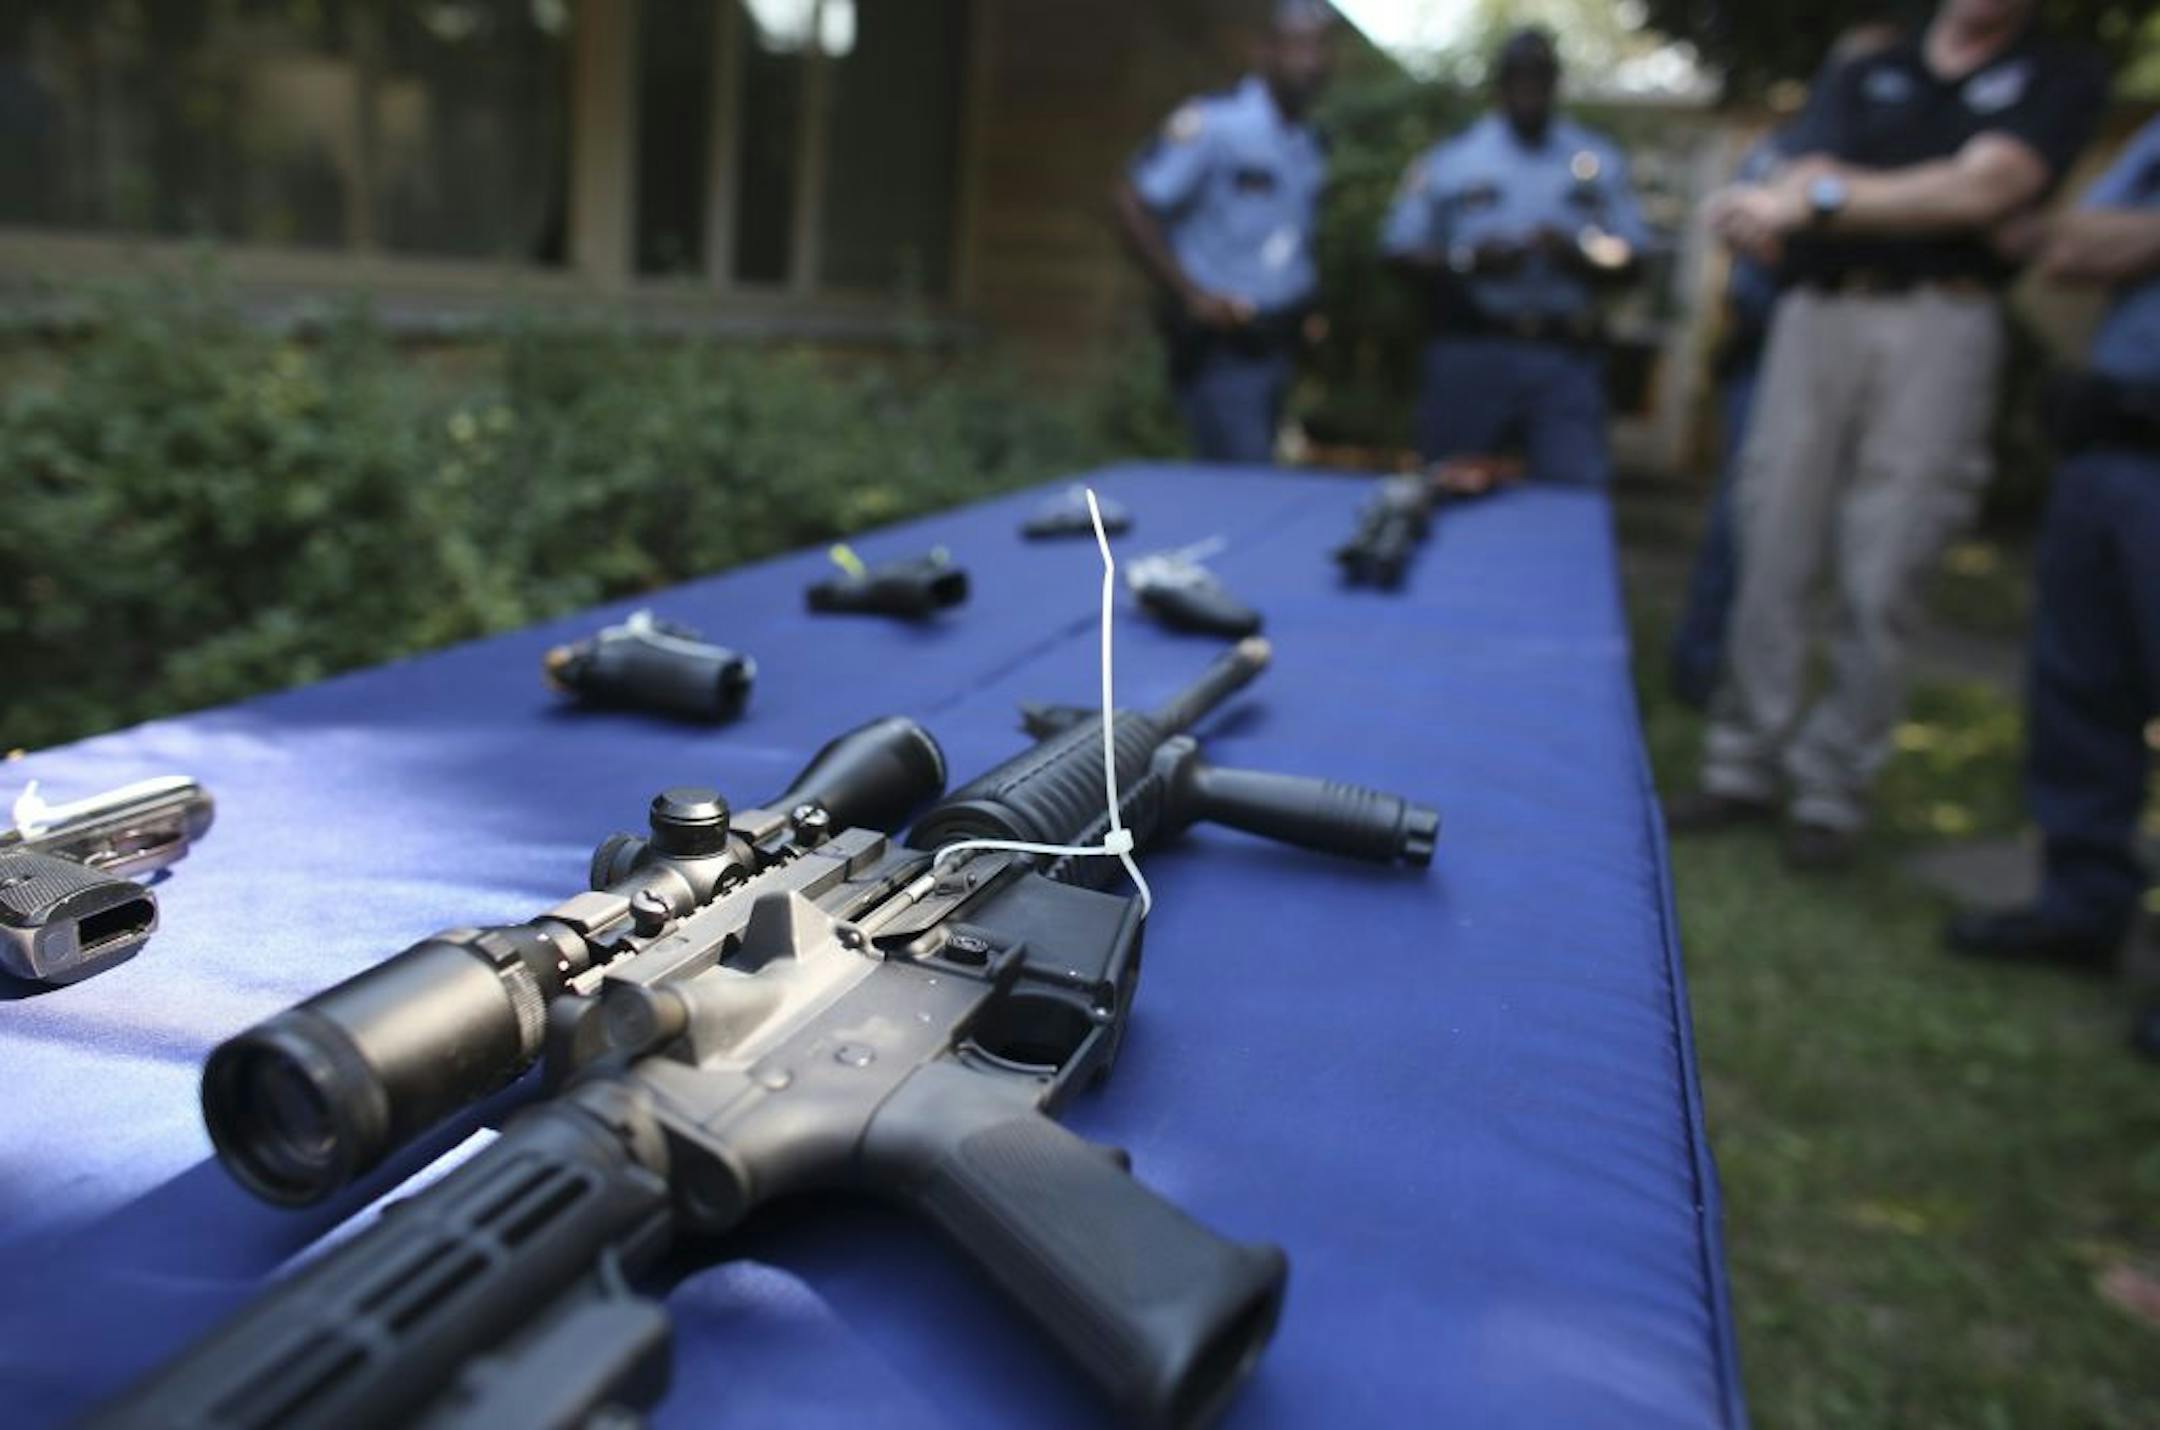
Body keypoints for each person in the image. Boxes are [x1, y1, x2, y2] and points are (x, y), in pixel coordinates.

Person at [1667, 0, 2107, 869]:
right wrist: (1889, 197)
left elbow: (1989, 188)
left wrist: (1827, 198)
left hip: (1941, 324)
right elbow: (1804, 181)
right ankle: (1743, 763)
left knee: (1893, 552)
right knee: (1772, 539)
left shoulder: (2058, 72)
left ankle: (1832, 789)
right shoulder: (1868, 62)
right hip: (1817, 317)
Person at [1942, 115, 2160, 1056]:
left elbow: (2094, 239)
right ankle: (2081, 906)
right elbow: (2070, 247)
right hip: (2112, 436)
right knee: (2081, 688)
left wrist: (2122, 241)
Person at [1668, 19, 1909, 709]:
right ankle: (1705, 675)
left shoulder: (1900, 159)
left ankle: (1800, 703)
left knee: (1857, 546)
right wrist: (1842, 215)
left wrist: (1830, 217)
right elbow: (1746, 228)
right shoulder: (1786, 151)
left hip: (1865, 358)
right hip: (1770, 352)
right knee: (1748, 523)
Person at [1378, 27, 1651, 487]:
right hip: (1471, 351)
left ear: (1555, 83)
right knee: (1444, 492)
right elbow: (1398, 252)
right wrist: (1469, 259)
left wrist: (1577, 253)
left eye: (1539, 77)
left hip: (1564, 357)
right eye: (1518, 77)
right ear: (1499, 84)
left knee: (1571, 500)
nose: (1529, 88)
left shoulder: (1595, 160)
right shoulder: (1454, 158)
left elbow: (1634, 257)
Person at [1113, 1, 1335, 465]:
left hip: (1280, 345)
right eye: (1298, 47)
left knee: (1263, 482)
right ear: (1266, 51)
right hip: (1223, 352)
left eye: (1320, 48)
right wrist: (1191, 295)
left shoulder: (1308, 142)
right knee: (1242, 487)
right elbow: (1134, 201)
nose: (1311, 61)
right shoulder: (1216, 124)